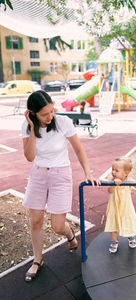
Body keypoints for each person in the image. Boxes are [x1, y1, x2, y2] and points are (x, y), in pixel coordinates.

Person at [21, 90, 98, 282]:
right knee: (36, 220)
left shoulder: (63, 122)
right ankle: (38, 260)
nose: (50, 117)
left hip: (60, 174)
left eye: (51, 111)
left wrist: (88, 171)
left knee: (57, 226)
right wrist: (31, 127)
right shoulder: (27, 125)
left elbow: (79, 149)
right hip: (38, 173)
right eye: (44, 114)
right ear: (32, 113)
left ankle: (69, 234)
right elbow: (30, 157)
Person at [104, 157, 136, 253]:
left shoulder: (129, 180)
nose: (113, 172)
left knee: (128, 221)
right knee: (112, 223)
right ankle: (114, 241)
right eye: (112, 169)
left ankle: (130, 236)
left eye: (116, 170)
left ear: (126, 173)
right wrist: (114, 184)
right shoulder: (111, 179)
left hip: (126, 207)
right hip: (114, 206)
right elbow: (109, 191)